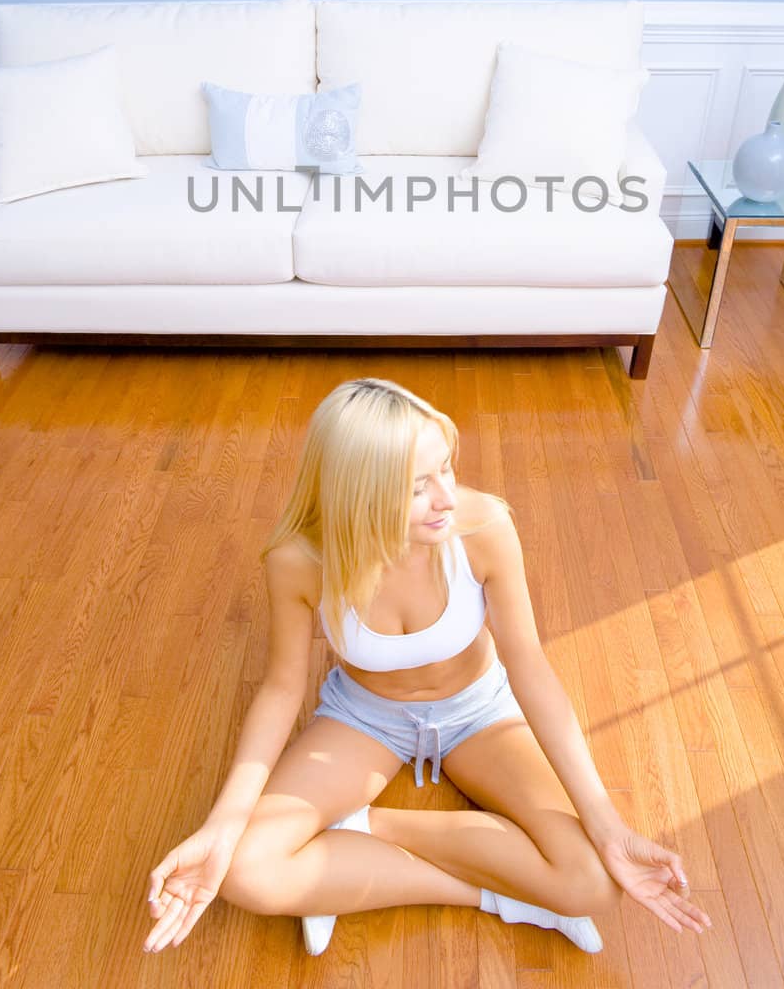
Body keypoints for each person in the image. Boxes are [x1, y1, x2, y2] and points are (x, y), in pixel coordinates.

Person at [142, 377, 711, 957]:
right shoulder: (300, 560)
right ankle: (502, 898)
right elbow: (282, 688)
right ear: (358, 492)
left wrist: (607, 824)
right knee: (243, 870)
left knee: (592, 880)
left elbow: (530, 667)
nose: (445, 497)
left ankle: (359, 832)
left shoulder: (482, 527)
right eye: (417, 487)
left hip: (479, 712)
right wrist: (224, 823)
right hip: (366, 718)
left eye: (447, 469)